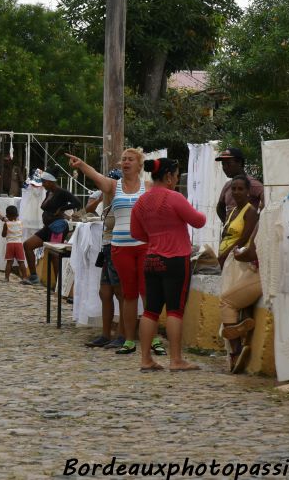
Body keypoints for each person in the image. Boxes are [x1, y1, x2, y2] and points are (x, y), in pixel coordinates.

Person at [66, 149, 156, 355]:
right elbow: (97, 177)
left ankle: (150, 337)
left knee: (144, 292)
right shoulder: (114, 186)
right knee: (123, 292)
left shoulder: (149, 187)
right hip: (118, 247)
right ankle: (128, 339)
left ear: (139, 164)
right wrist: (80, 164)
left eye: (130, 159)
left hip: (143, 247)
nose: (125, 162)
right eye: (123, 159)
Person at [130, 158, 206, 372]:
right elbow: (198, 221)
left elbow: (136, 233)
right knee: (175, 310)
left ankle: (145, 359)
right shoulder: (174, 197)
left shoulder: (142, 201)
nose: (175, 179)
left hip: (151, 259)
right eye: (175, 175)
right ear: (168, 176)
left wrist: (155, 236)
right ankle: (176, 360)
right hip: (175, 258)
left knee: (151, 310)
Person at [218, 175, 261, 373]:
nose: (236, 192)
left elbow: (245, 240)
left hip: (239, 263)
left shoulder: (250, 212)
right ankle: (232, 352)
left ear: (247, 191)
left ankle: (236, 350)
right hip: (227, 263)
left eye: (240, 189)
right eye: (233, 189)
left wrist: (227, 252)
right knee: (229, 306)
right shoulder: (233, 210)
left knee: (231, 303)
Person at [83, 169, 128, 350]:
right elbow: (88, 209)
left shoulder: (122, 197)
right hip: (107, 246)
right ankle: (105, 333)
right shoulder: (106, 196)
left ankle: (122, 334)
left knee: (120, 293)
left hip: (117, 246)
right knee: (105, 293)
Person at [21, 172, 81, 288]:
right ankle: (34, 276)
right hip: (48, 227)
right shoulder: (49, 192)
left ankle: (60, 285)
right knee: (28, 245)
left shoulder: (62, 192)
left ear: (50, 182)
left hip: (58, 227)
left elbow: (77, 202)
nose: (43, 185)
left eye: (44, 182)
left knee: (55, 255)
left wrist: (62, 208)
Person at [215, 147, 264, 222]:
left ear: (239, 163)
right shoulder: (227, 185)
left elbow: (268, 202)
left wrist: (256, 224)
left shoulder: (253, 184)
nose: (225, 167)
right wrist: (227, 224)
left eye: (228, 163)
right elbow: (220, 208)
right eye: (223, 164)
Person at [2, 205, 29, 282]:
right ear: (17, 215)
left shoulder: (6, 224)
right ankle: (24, 277)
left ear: (6, 215)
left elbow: (3, 235)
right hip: (18, 244)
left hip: (10, 244)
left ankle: (6, 278)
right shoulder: (20, 223)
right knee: (21, 262)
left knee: (9, 262)